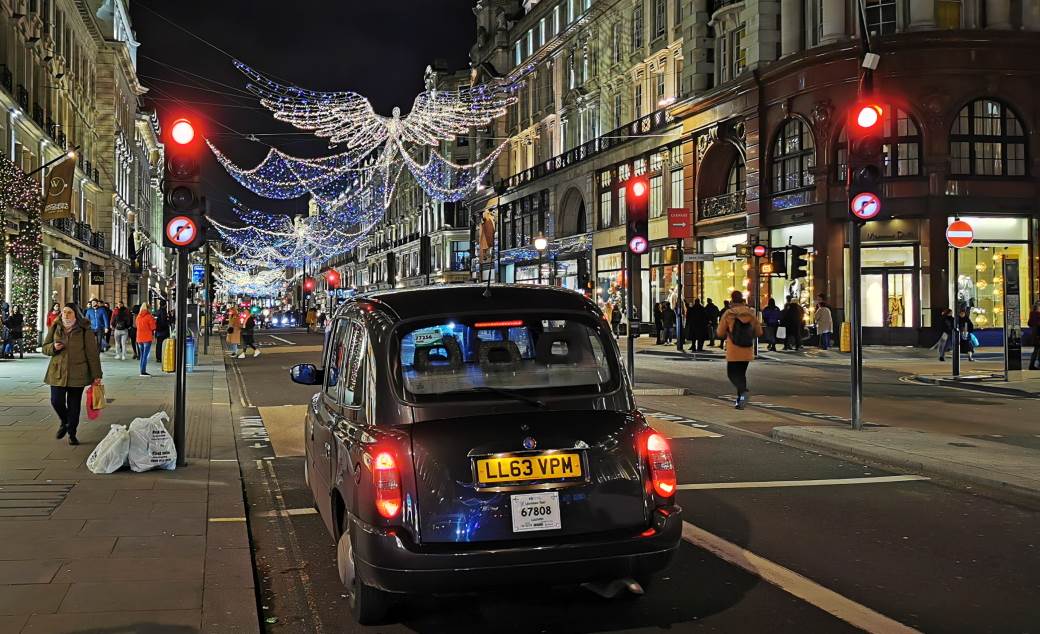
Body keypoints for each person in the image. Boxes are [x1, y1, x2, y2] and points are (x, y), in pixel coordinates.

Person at [43, 303, 102, 445]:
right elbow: (45, 348)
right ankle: (65, 421)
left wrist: (97, 375)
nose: (65, 315)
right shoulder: (56, 326)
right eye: (64, 312)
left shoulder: (84, 330)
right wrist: (53, 347)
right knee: (56, 400)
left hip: (78, 372)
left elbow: (92, 354)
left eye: (69, 312)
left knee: (74, 404)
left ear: (76, 314)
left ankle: (72, 434)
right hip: (57, 371)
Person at [717, 290, 764, 410]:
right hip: (747, 349)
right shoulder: (750, 313)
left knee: (732, 374)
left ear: (732, 300)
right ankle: (740, 401)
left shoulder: (729, 313)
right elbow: (759, 332)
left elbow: (720, 332)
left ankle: (743, 392)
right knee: (741, 375)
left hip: (734, 349)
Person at [135, 304, 157, 376]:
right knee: (145, 355)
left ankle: (141, 370)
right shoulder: (149, 317)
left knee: (142, 355)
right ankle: (143, 371)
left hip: (139, 338)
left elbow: (136, 325)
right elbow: (153, 327)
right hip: (147, 338)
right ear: (148, 309)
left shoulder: (138, 316)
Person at [669, 286, 686, 351]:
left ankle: (680, 340)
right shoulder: (679, 295)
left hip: (678, 312)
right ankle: (681, 340)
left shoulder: (675, 295)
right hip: (680, 313)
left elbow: (673, 305)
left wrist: (673, 310)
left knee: (679, 327)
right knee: (680, 327)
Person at [1028, 301, 1040, 370]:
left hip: (1035, 334)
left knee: (1036, 350)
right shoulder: (1038, 315)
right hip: (1038, 334)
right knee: (1036, 351)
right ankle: (1033, 365)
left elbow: (1029, 324)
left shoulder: (1032, 314)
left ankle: (1032, 365)